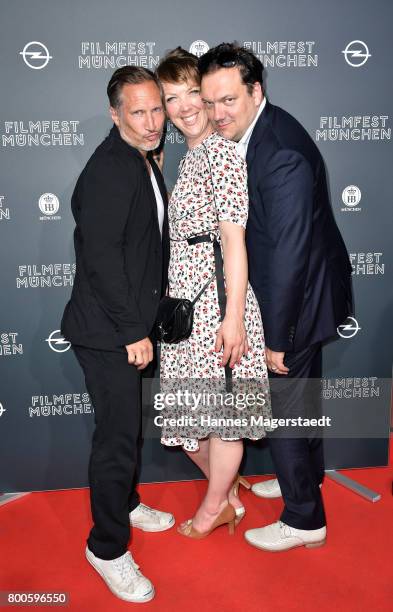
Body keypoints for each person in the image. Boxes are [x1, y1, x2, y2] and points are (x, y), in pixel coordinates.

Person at [199, 43, 353, 551]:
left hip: (299, 301)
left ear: (255, 90)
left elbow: (287, 253)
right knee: (302, 403)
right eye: (210, 101)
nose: (217, 114)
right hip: (307, 293)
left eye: (228, 100)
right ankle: (306, 482)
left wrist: (279, 338)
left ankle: (305, 519)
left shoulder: (278, 150)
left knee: (286, 408)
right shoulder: (263, 130)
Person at [61, 66, 174, 603]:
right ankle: (106, 548)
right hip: (109, 332)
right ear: (115, 114)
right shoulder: (111, 169)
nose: (153, 123)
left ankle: (126, 502)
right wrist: (133, 330)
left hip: (124, 325)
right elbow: (101, 259)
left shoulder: (139, 158)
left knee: (127, 434)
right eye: (139, 112)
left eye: (157, 109)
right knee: (115, 441)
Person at [156, 48, 270, 539]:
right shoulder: (188, 156)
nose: (183, 106)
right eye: (170, 97)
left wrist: (235, 316)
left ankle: (213, 508)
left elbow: (233, 240)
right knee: (189, 419)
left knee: (224, 416)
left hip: (217, 304)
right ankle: (224, 490)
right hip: (187, 305)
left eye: (190, 94)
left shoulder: (221, 152)